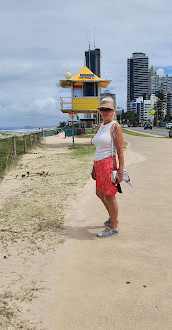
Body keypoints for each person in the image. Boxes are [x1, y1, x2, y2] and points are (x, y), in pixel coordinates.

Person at [91, 97, 124, 237]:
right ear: (99, 111)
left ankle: (113, 228)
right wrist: (93, 168)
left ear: (113, 111)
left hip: (108, 163)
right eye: (102, 109)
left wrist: (120, 171)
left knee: (110, 196)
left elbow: (120, 151)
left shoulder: (115, 126)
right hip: (98, 164)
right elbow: (98, 148)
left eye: (108, 109)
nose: (105, 112)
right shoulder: (99, 126)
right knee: (99, 193)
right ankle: (113, 217)